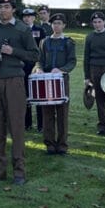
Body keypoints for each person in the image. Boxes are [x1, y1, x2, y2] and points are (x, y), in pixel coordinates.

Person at [0, 0, 39, 186]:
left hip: (15, 81)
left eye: (7, 7)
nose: (3, 10)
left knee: (16, 127)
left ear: (13, 9)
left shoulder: (22, 30)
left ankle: (19, 172)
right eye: (0, 7)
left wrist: (13, 51)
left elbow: (34, 55)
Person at [34, 13, 76, 155]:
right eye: (54, 23)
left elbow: (72, 61)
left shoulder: (69, 42)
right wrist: (39, 68)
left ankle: (62, 145)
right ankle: (50, 144)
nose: (56, 26)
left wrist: (61, 70)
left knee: (62, 113)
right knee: (47, 112)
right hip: (46, 80)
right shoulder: (44, 41)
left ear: (64, 25)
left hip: (62, 80)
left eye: (59, 23)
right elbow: (39, 59)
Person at [21, 8, 45, 131]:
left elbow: (43, 49)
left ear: (34, 18)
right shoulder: (18, 30)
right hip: (23, 66)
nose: (27, 18)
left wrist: (40, 66)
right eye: (25, 16)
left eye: (30, 16)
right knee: (25, 95)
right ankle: (27, 123)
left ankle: (41, 125)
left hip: (36, 66)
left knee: (39, 95)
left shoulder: (40, 31)